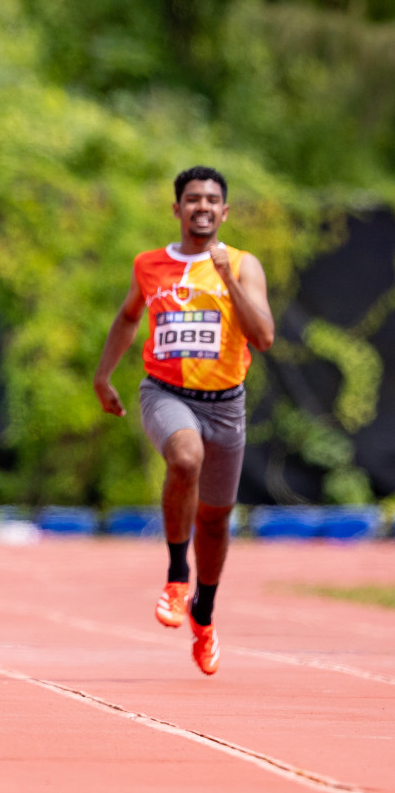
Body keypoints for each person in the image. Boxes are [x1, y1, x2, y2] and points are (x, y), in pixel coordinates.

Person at [94, 166, 274, 675]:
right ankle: (176, 576)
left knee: (216, 519)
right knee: (184, 457)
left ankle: (204, 610)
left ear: (224, 211)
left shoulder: (241, 265)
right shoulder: (150, 265)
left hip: (227, 402)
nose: (202, 206)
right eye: (192, 199)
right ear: (177, 209)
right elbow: (129, 316)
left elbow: (262, 338)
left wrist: (224, 279)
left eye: (212, 200)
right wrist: (104, 376)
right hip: (166, 393)